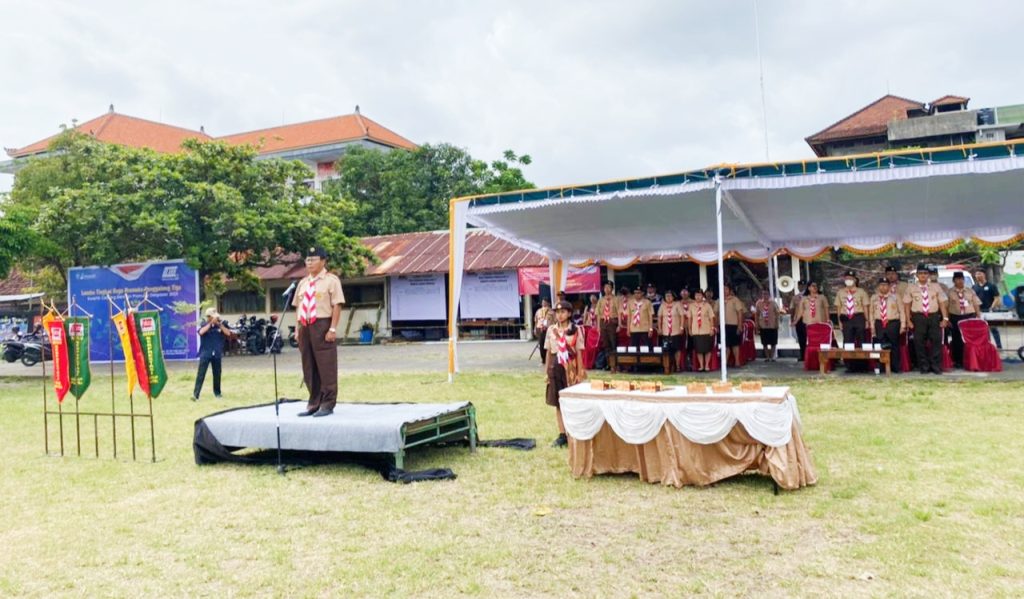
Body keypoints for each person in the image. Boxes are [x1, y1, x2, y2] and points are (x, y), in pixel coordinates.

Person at [293, 245, 345, 417]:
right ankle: (314, 402)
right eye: (307, 259)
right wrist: (297, 329)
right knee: (308, 365)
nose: (309, 262)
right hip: (304, 325)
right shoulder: (303, 283)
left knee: (326, 364)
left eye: (313, 259)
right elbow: (298, 307)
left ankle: (328, 403)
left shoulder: (331, 280)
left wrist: (332, 328)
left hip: (322, 324)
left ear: (323, 261)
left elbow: (336, 305)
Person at [545, 300, 586, 447]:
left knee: (572, 400)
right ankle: (562, 434)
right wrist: (546, 372)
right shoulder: (551, 330)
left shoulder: (575, 330)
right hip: (556, 367)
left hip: (571, 367)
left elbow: (579, 352)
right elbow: (549, 353)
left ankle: (573, 431)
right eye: (557, 312)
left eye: (563, 312)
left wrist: (580, 372)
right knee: (558, 401)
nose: (560, 315)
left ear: (569, 313)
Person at [904, 263, 950, 375]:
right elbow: (907, 305)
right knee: (919, 342)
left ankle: (935, 366)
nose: (923, 275)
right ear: (917, 275)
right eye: (920, 273)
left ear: (928, 275)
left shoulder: (936, 287)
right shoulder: (911, 287)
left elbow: (942, 303)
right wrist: (908, 320)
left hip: (933, 316)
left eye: (925, 273)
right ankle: (924, 366)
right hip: (918, 317)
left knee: (936, 341)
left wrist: (945, 318)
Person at [192, 307, 231, 401]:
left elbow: (228, 333)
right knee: (201, 374)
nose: (215, 319)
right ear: (208, 317)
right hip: (206, 353)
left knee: (217, 374)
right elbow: (201, 332)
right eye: (212, 317)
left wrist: (218, 324)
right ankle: (196, 395)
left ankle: (217, 393)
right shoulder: (204, 324)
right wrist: (210, 324)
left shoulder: (221, 325)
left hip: (217, 353)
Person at [868, 278, 905, 374]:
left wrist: (903, 324)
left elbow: (901, 311)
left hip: (893, 323)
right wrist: (872, 326)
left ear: (889, 286)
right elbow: (871, 313)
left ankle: (895, 367)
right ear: (878, 286)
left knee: (894, 345)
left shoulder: (895, 297)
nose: (883, 287)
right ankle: (881, 367)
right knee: (880, 345)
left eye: (885, 285)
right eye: (881, 285)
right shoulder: (874, 297)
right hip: (879, 323)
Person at [947, 271, 982, 368]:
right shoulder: (950, 292)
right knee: (956, 339)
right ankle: (957, 361)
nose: (960, 281)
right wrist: (947, 319)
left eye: (962, 279)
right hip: (955, 317)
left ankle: (969, 360)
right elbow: (946, 306)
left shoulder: (970, 291)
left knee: (968, 340)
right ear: (954, 281)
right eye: (958, 279)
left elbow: (976, 304)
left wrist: (978, 316)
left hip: (969, 317)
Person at [834, 270, 870, 348]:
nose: (848, 280)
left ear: (855, 280)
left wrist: (867, 320)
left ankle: (862, 359)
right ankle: (848, 360)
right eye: (847, 278)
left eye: (850, 278)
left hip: (858, 317)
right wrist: (839, 322)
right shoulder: (840, 292)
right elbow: (838, 308)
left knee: (861, 339)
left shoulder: (861, 291)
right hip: (846, 318)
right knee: (847, 340)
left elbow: (865, 307)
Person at [973, 269, 1003, 349]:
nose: (977, 276)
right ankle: (987, 346)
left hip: (990, 311)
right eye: (976, 274)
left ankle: (999, 347)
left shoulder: (991, 286)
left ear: (984, 274)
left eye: (979, 274)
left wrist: (991, 308)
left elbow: (997, 298)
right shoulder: (974, 287)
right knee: (983, 330)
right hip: (979, 312)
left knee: (994, 329)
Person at [595, 281, 621, 371]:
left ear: (612, 289)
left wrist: (619, 324)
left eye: (609, 287)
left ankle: (616, 364)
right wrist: (598, 326)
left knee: (613, 342)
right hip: (603, 322)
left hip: (612, 322)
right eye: (605, 287)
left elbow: (619, 312)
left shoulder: (616, 299)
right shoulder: (601, 300)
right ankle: (609, 364)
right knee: (605, 344)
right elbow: (598, 314)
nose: (607, 289)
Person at [687, 289, 716, 371]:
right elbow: (689, 318)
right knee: (698, 349)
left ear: (702, 296)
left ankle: (707, 365)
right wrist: (689, 329)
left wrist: (712, 328)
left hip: (706, 330)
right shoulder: (691, 306)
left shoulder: (707, 305)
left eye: (699, 295)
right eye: (696, 295)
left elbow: (711, 318)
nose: (698, 297)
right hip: (696, 330)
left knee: (707, 349)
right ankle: (701, 365)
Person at [658, 290, 685, 370]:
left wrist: (681, 327)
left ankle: (677, 365)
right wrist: (659, 328)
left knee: (677, 349)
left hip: (675, 330)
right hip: (666, 331)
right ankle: (668, 365)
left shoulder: (677, 304)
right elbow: (660, 317)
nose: (668, 298)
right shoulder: (662, 305)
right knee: (667, 349)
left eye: (670, 296)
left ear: (673, 297)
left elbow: (682, 316)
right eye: (667, 296)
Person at [720, 283, 746, 367]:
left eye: (726, 289)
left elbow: (740, 312)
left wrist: (739, 325)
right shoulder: (719, 300)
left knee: (735, 344)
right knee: (725, 345)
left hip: (733, 325)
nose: (724, 291)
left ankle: (737, 362)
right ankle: (725, 363)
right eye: (723, 289)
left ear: (730, 290)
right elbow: (716, 313)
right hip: (723, 326)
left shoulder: (735, 300)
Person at [753, 289, 779, 361]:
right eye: (764, 294)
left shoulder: (773, 303)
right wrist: (757, 324)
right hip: (763, 325)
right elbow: (757, 314)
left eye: (766, 294)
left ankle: (772, 357)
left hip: (772, 325)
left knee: (773, 342)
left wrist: (777, 323)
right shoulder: (759, 303)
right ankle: (767, 357)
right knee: (764, 342)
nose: (765, 296)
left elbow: (777, 314)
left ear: (769, 295)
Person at [789, 280, 807, 361]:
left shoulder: (808, 296)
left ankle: (808, 355)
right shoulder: (795, 297)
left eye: (803, 286)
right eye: (800, 286)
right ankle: (802, 354)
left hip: (807, 319)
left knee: (808, 337)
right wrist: (792, 319)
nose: (801, 287)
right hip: (798, 320)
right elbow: (792, 309)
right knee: (800, 338)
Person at [534, 297, 554, 365]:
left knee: (549, 345)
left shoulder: (552, 312)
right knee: (541, 345)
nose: (543, 303)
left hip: (549, 330)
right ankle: (543, 360)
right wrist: (535, 329)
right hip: (541, 329)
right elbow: (536, 321)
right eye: (543, 302)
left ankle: (550, 359)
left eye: (545, 302)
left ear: (548, 303)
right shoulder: (538, 311)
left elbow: (555, 321)